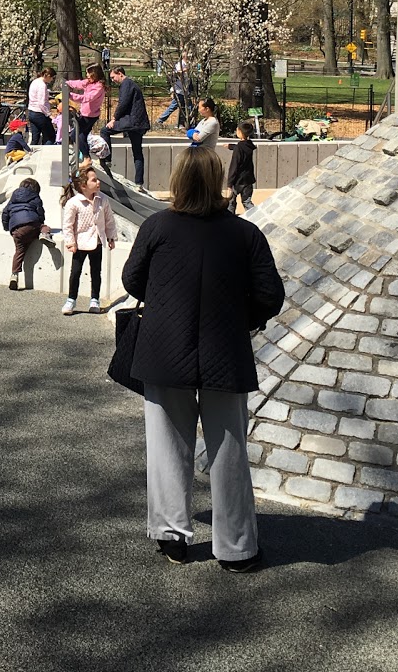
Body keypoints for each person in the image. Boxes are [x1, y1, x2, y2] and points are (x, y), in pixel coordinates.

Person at [121, 146, 285, 571]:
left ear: (178, 182)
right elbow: (271, 295)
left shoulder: (157, 226)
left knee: (166, 447)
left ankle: (172, 535)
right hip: (224, 351)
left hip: (163, 348)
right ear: (218, 183)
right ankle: (236, 548)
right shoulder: (245, 234)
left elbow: (132, 279)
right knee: (229, 450)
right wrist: (240, 318)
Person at [60, 166, 116, 315]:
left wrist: (111, 237)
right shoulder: (74, 203)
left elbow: (109, 219)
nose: (98, 182)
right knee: (75, 272)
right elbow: (68, 225)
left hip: (97, 241)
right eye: (94, 180)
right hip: (80, 243)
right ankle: (71, 299)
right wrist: (70, 242)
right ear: (83, 185)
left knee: (96, 272)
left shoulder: (103, 199)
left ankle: (95, 299)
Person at [107, 67, 151, 189]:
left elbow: (123, 103)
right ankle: (139, 183)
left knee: (105, 131)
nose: (113, 80)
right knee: (137, 152)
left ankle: (107, 159)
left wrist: (114, 119)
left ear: (120, 74)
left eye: (113, 77)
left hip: (131, 122)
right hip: (138, 123)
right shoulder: (131, 84)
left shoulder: (126, 84)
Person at [1, 176, 48, 291]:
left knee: (19, 251)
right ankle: (43, 234)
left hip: (16, 230)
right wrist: (41, 222)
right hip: (31, 225)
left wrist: (7, 227)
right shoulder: (35, 197)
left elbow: (5, 213)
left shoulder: (13, 198)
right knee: (44, 227)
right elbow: (40, 212)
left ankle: (14, 275)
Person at [66, 65, 106, 158]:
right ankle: (83, 156)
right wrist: (67, 83)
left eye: (89, 73)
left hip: (90, 116)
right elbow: (79, 84)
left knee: (75, 135)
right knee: (82, 136)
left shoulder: (99, 87)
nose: (87, 75)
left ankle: (86, 157)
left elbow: (87, 98)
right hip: (85, 114)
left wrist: (71, 96)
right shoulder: (89, 82)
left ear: (95, 74)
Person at [225, 123, 256, 213]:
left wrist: (229, 183)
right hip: (248, 179)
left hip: (237, 180)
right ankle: (255, 216)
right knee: (247, 202)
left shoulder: (239, 148)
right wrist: (231, 146)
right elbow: (242, 147)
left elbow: (234, 166)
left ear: (240, 132)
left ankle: (230, 220)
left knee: (231, 202)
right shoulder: (250, 145)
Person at [26, 66, 57, 144]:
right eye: (52, 78)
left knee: (35, 137)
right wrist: (49, 114)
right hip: (40, 113)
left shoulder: (35, 81)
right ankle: (46, 152)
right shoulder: (42, 86)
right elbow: (41, 103)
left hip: (31, 112)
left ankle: (32, 153)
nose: (52, 80)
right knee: (50, 136)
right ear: (48, 76)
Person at [156, 56, 188, 127]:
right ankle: (160, 120)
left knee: (185, 107)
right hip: (179, 90)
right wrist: (184, 70)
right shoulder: (180, 64)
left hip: (183, 91)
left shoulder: (186, 64)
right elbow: (176, 74)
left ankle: (181, 123)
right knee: (174, 106)